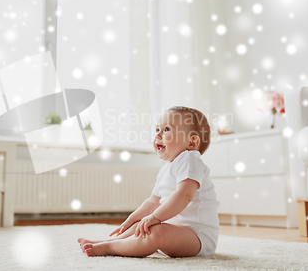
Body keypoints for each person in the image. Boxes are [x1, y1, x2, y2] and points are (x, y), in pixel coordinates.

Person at [78, 106, 220, 257]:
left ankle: (111, 248)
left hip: (197, 236)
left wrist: (156, 217)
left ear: (192, 142)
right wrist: (133, 218)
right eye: (157, 130)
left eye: (166, 129)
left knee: (156, 230)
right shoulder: (166, 169)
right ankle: (109, 241)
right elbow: (153, 202)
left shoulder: (190, 159)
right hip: (176, 231)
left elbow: (184, 195)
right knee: (141, 225)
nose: (158, 135)